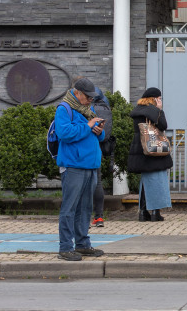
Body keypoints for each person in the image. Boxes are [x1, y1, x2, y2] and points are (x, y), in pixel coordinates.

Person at [55, 78, 105, 261]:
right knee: (69, 208)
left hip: (90, 165)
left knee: (85, 208)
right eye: (88, 96)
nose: (91, 100)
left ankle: (83, 244)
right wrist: (88, 126)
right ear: (77, 93)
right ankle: (65, 247)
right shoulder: (64, 109)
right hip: (73, 166)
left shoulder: (87, 110)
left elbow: (96, 134)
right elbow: (64, 133)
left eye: (93, 97)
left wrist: (100, 131)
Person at [127, 87, 172, 223]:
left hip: (141, 150)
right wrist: (159, 109)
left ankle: (143, 212)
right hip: (154, 149)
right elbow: (163, 125)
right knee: (157, 180)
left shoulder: (138, 111)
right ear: (155, 99)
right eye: (159, 98)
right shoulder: (155, 111)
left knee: (145, 181)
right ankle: (155, 213)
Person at [89, 85, 114, 228]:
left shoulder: (85, 107)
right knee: (97, 182)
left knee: (83, 185)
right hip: (98, 148)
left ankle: (84, 218)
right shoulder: (104, 104)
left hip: (86, 149)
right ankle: (99, 217)